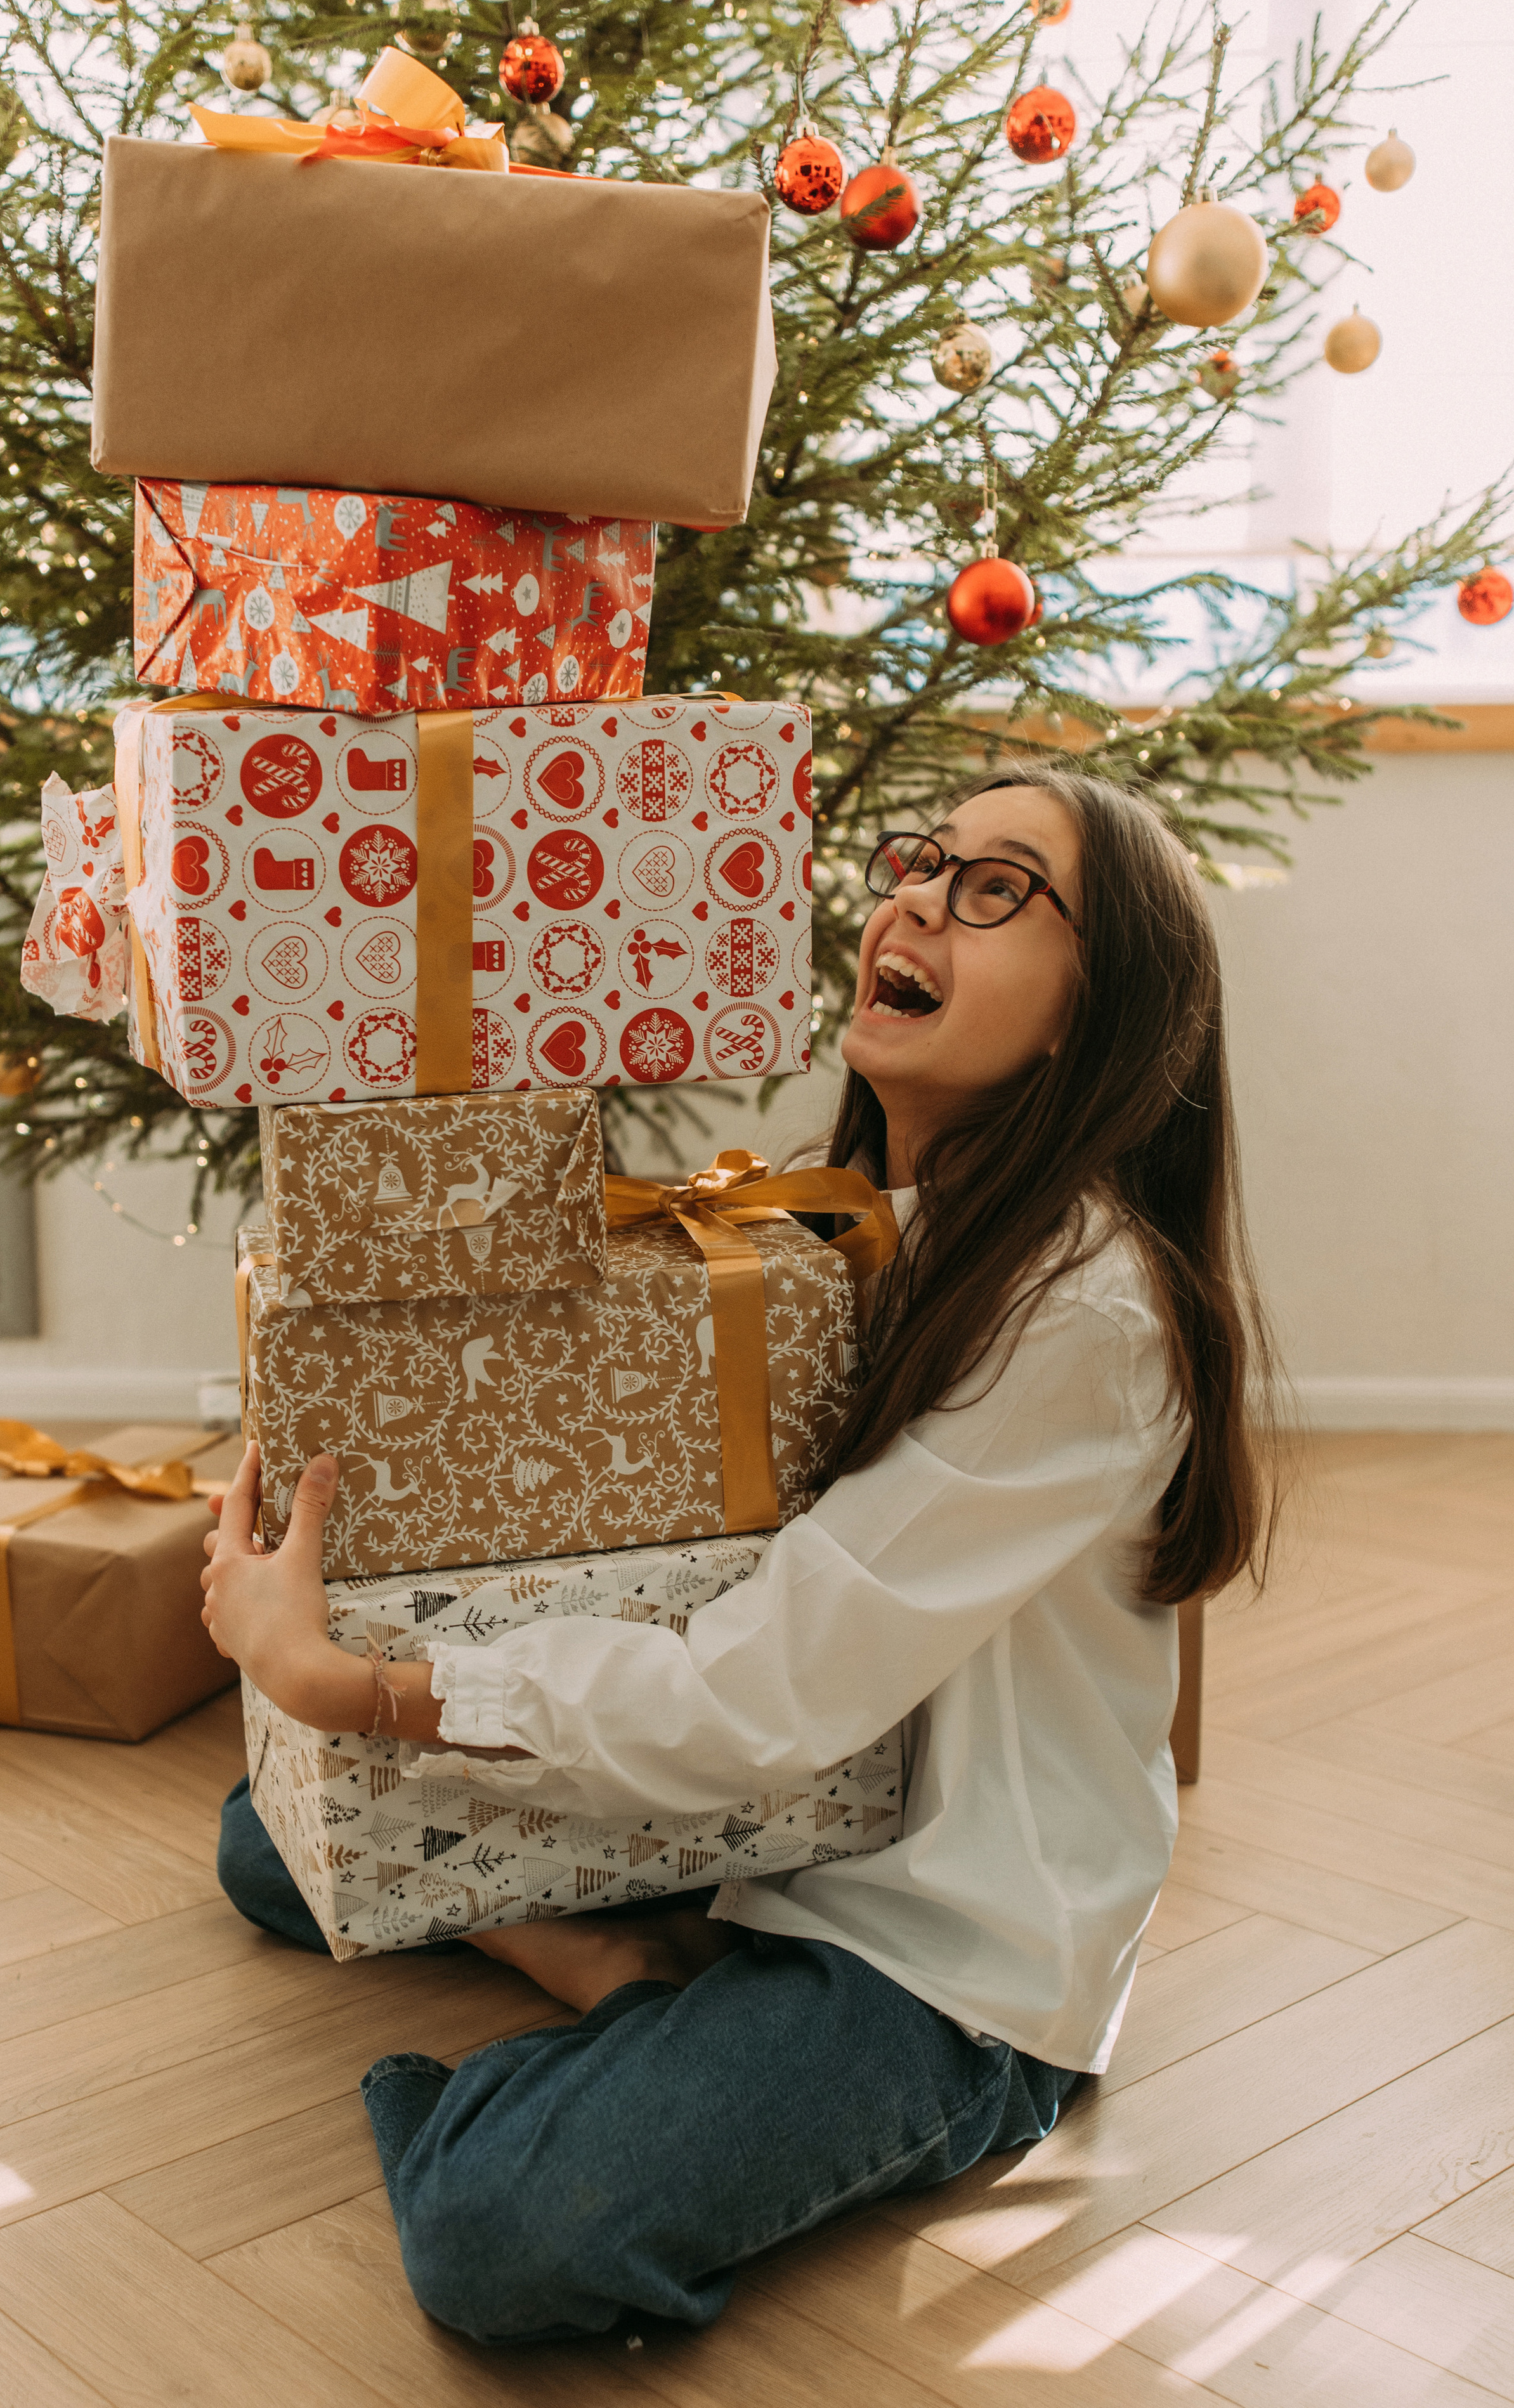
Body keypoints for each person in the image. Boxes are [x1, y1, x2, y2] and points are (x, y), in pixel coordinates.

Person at [204, 764, 1282, 2346]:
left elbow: (757, 1693)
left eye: (996, 888)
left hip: (932, 1955)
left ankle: (632, 1988)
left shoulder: (1087, 1309)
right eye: (921, 860)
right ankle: (647, 1963)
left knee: (506, 2238)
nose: (914, 897)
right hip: (770, 1826)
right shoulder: (844, 1228)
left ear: (1091, 1012)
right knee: (266, 1840)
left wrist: (348, 1682)